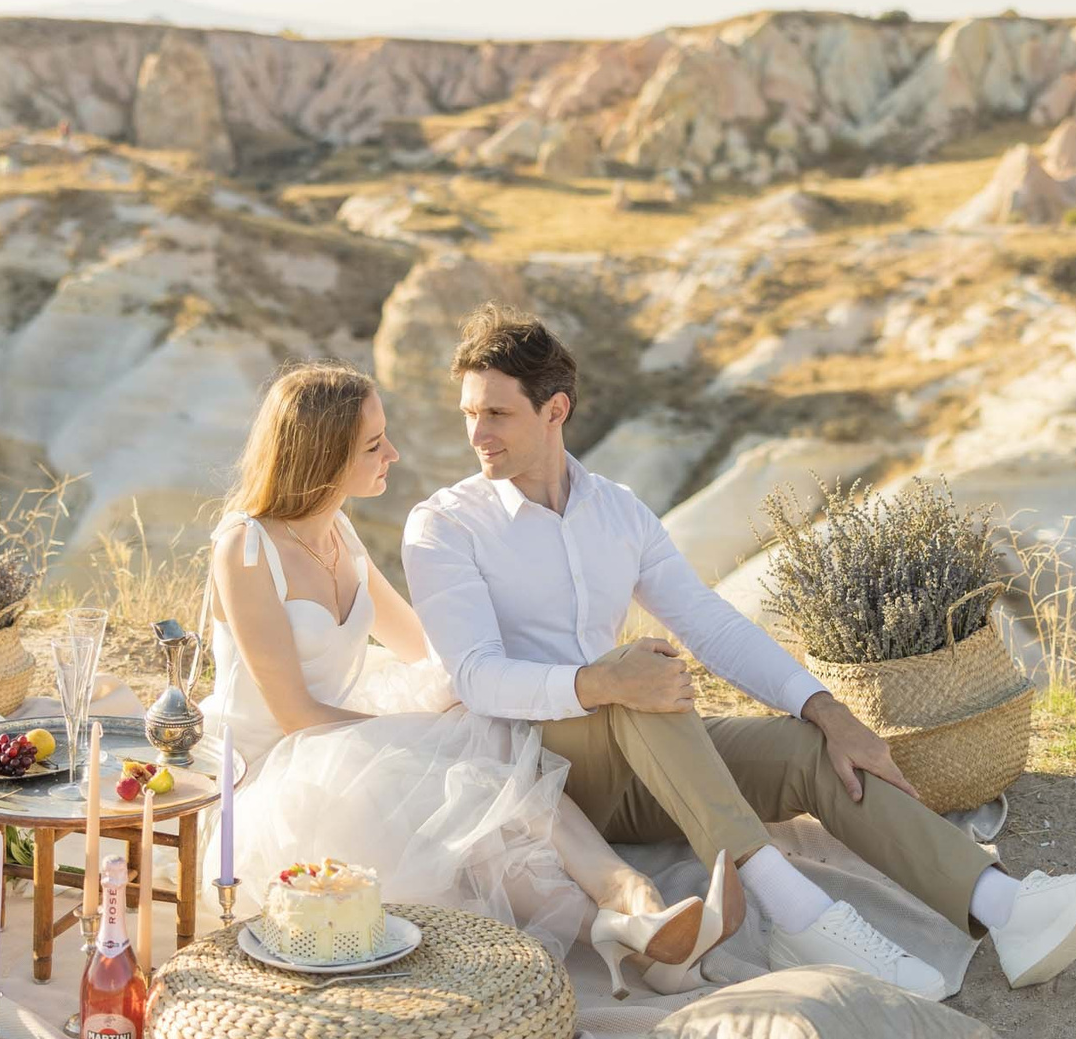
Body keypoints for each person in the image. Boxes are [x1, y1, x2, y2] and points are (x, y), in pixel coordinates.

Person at [401, 306, 1076, 998]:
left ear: (554, 409)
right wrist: (605, 681)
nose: (477, 435)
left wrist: (829, 713)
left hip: (645, 764)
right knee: (647, 682)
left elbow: (712, 623)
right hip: (537, 780)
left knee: (806, 750)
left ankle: (1005, 907)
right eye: (470, 414)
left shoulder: (619, 512)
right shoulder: (444, 527)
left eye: (495, 413)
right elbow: (477, 676)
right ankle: (802, 916)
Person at [200, 362, 746, 994]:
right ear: (322, 456)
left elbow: (419, 646)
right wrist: (428, 733)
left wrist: (492, 678)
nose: (393, 454)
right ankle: (625, 926)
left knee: (481, 733)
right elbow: (294, 714)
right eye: (374, 445)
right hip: (275, 765)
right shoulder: (245, 547)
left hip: (342, 734)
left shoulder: (338, 532)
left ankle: (634, 902)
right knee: (456, 780)